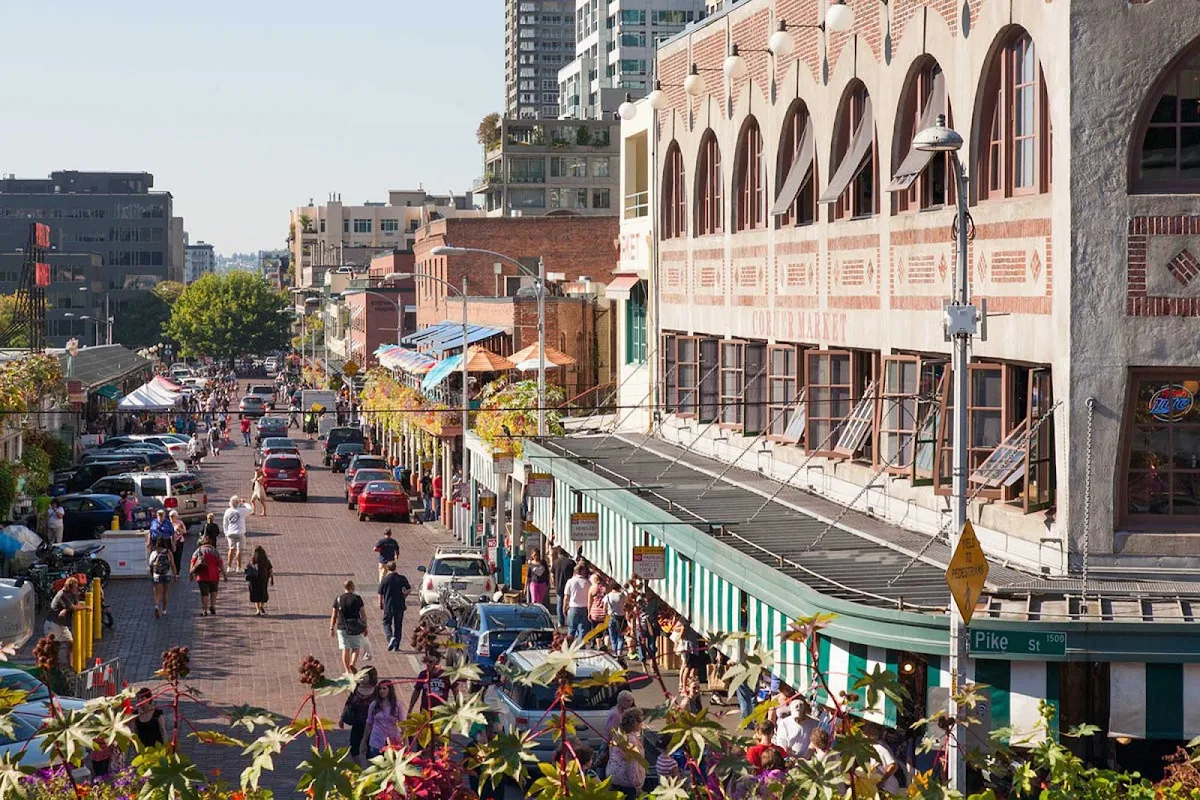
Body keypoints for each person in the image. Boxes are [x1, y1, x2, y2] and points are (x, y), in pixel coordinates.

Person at [339, 668, 378, 766]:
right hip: (357, 723)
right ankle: (360, 766)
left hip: (372, 726)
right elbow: (349, 703)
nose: (362, 677)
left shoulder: (377, 691)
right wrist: (342, 717)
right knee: (354, 749)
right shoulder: (356, 688)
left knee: (371, 750)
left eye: (365, 675)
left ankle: (370, 769)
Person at [604, 707, 646, 798]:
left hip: (613, 777)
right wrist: (637, 785)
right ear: (635, 724)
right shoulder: (631, 741)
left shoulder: (618, 735)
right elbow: (633, 764)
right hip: (626, 782)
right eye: (641, 721)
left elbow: (612, 755)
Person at [45, 577, 88, 666]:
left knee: (71, 643)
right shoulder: (62, 595)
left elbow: (76, 604)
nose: (77, 589)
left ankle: (70, 665)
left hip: (62, 625)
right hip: (53, 624)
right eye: (75, 587)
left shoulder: (70, 594)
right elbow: (73, 607)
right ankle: (52, 667)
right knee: (54, 648)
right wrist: (86, 607)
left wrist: (75, 595)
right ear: (69, 587)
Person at [331, 579, 368, 674]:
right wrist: (365, 626)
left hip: (342, 627)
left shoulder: (338, 599)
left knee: (345, 648)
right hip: (355, 626)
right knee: (355, 647)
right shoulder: (357, 598)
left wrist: (331, 628)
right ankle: (352, 663)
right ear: (353, 587)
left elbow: (334, 615)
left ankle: (347, 671)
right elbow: (363, 614)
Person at [364, 682, 407, 759]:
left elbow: (403, 724)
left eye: (384, 688)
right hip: (376, 740)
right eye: (380, 689)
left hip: (393, 741)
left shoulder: (397, 705)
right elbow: (369, 723)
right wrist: (364, 740)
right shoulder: (374, 705)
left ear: (390, 690)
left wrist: (406, 742)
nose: (381, 691)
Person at [189, 530, 226, 615]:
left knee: (204, 593)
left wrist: (191, 573)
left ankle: (204, 610)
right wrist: (224, 574)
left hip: (202, 576)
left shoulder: (198, 551)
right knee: (213, 591)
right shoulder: (215, 551)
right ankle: (213, 606)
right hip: (214, 575)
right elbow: (220, 564)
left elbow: (193, 562)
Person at [378, 561, 411, 652]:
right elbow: (409, 589)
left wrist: (380, 603)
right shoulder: (402, 578)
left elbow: (380, 593)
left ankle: (390, 638)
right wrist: (404, 596)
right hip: (400, 605)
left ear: (388, 568)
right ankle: (397, 645)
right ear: (395, 567)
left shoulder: (385, 579)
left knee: (386, 623)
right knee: (398, 625)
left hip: (388, 605)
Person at [222, 495, 252, 574]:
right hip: (239, 532)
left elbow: (225, 523)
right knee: (239, 550)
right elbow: (250, 509)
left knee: (231, 549)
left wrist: (225, 533)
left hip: (230, 532)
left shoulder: (227, 511)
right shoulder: (241, 511)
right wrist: (245, 503)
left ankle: (229, 567)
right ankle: (238, 567)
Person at [148, 538, 177, 618]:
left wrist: (151, 574)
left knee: (157, 593)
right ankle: (164, 610)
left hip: (157, 575)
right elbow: (173, 564)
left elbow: (150, 564)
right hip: (167, 574)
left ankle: (157, 605)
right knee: (166, 593)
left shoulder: (154, 553)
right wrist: (175, 575)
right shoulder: (168, 553)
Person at [563, 564, 591, 640]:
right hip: (584, 608)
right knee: (583, 629)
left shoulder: (570, 581)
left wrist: (564, 607)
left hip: (573, 607)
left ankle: (569, 646)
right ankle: (581, 646)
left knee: (571, 629)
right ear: (582, 571)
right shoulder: (587, 582)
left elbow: (566, 596)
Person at [246, 545, 274, 616]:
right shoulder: (266, 561)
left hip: (254, 580)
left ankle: (258, 610)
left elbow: (247, 569)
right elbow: (270, 570)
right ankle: (262, 605)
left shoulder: (253, 561)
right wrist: (272, 579)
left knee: (255, 593)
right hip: (263, 579)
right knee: (263, 592)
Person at [551, 547, 575, 626]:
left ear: (559, 554)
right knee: (570, 604)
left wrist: (554, 584)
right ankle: (570, 621)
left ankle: (560, 622)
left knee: (560, 604)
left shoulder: (555, 562)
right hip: (570, 587)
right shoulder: (571, 562)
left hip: (559, 586)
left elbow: (552, 575)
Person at [603, 582, 626, 656]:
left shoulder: (608, 596)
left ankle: (615, 653)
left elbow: (604, 608)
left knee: (613, 637)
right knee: (620, 637)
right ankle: (619, 653)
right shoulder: (622, 595)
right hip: (621, 617)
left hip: (611, 616)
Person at [168, 509, 188, 580]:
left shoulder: (180, 523)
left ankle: (177, 573)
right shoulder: (169, 523)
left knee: (178, 557)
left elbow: (185, 531)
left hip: (179, 542)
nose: (171, 517)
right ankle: (171, 571)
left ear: (175, 516)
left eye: (172, 516)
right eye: (170, 516)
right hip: (171, 542)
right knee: (171, 558)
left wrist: (180, 530)